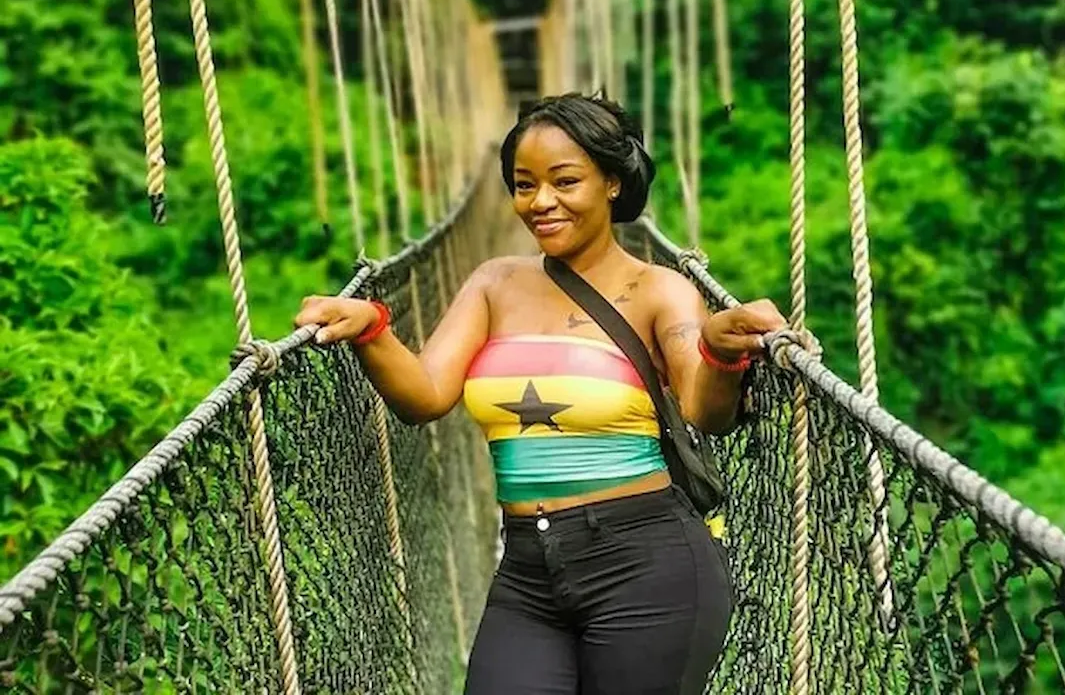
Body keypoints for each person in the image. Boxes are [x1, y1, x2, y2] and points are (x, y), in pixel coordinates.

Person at [293, 92, 788, 694]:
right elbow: (422, 396)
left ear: (612, 182)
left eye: (565, 180)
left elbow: (703, 411)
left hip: (648, 563)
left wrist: (717, 349)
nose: (541, 202)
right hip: (528, 570)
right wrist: (370, 328)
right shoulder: (494, 282)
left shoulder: (661, 290)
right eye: (524, 184)